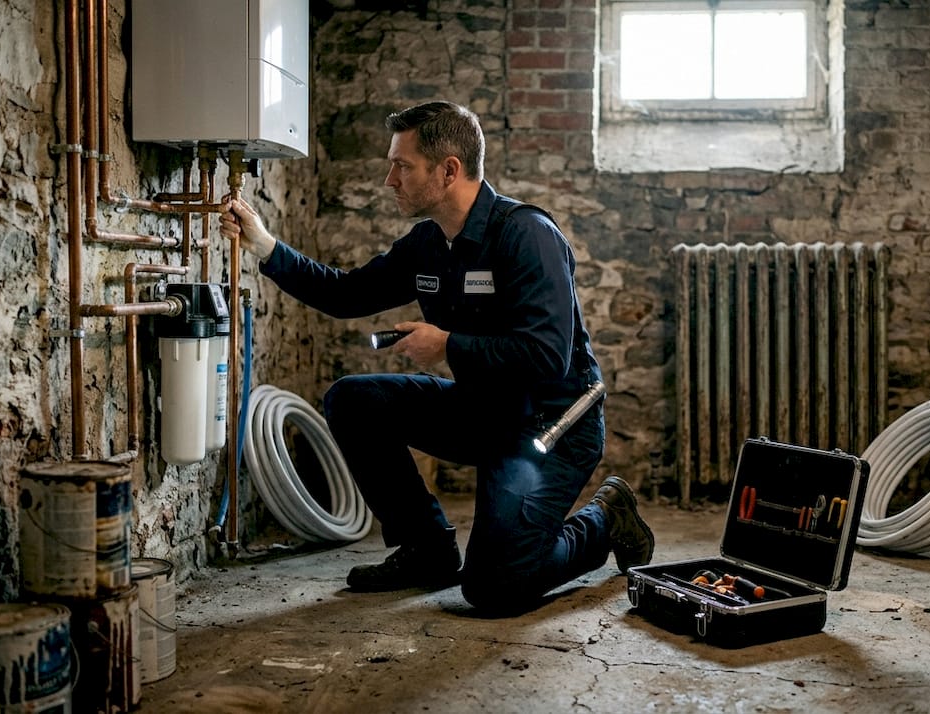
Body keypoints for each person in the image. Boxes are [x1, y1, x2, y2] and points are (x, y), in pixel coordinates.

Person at [219, 100, 654, 615]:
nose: (389, 179)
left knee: (494, 586)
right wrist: (266, 247)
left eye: (402, 165)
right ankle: (426, 548)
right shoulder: (428, 243)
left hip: (552, 425)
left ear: (449, 170)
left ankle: (606, 517)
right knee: (353, 400)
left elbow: (548, 356)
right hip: (485, 410)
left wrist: (447, 345)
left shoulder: (526, 235)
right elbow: (346, 294)